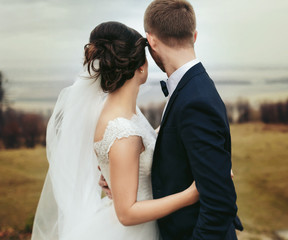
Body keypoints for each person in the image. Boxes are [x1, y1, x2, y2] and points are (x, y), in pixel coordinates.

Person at [31, 21, 199, 240]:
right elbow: (127, 214)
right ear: (141, 67)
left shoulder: (120, 112)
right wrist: (191, 194)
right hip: (136, 232)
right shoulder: (122, 132)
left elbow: (142, 145)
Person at [101, 0, 243, 239]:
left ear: (152, 41)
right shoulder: (188, 88)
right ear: (194, 36)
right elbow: (175, 150)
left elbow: (219, 205)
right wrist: (122, 175)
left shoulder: (196, 100)